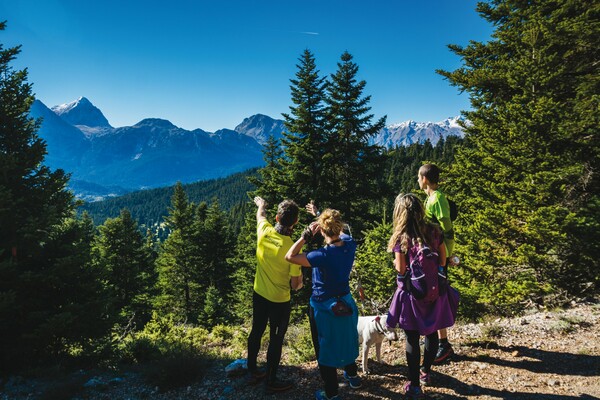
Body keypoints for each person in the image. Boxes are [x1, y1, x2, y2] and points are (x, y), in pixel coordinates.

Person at [386, 193, 459, 399]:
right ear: (420, 209)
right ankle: (426, 371)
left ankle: (415, 385)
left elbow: (401, 269)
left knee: (411, 337)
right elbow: (443, 259)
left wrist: (397, 265)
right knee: (432, 332)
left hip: (411, 294)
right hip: (434, 291)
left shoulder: (401, 237)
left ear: (399, 213)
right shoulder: (434, 231)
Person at [286, 209, 361, 400]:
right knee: (346, 338)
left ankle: (331, 393)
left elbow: (290, 256)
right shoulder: (350, 244)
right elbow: (340, 232)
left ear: (322, 231)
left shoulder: (321, 255)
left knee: (324, 348)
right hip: (345, 301)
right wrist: (320, 213)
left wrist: (305, 236)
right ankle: (353, 376)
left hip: (323, 307)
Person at [246, 196, 303, 394]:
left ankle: (252, 370)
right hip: (280, 301)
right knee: (276, 339)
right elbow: (296, 285)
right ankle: (271, 380)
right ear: (295, 222)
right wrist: (301, 280)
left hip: (259, 294)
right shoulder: (292, 248)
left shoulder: (264, 231)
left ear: (277, 218)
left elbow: (260, 215)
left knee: (256, 330)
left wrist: (261, 204)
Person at [418, 163, 456, 364]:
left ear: (425, 179)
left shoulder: (438, 198)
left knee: (438, 295)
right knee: (435, 294)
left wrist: (447, 253)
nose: (417, 180)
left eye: (418, 177)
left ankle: (443, 344)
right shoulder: (430, 198)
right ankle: (441, 341)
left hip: (439, 255)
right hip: (433, 254)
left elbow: (446, 226)